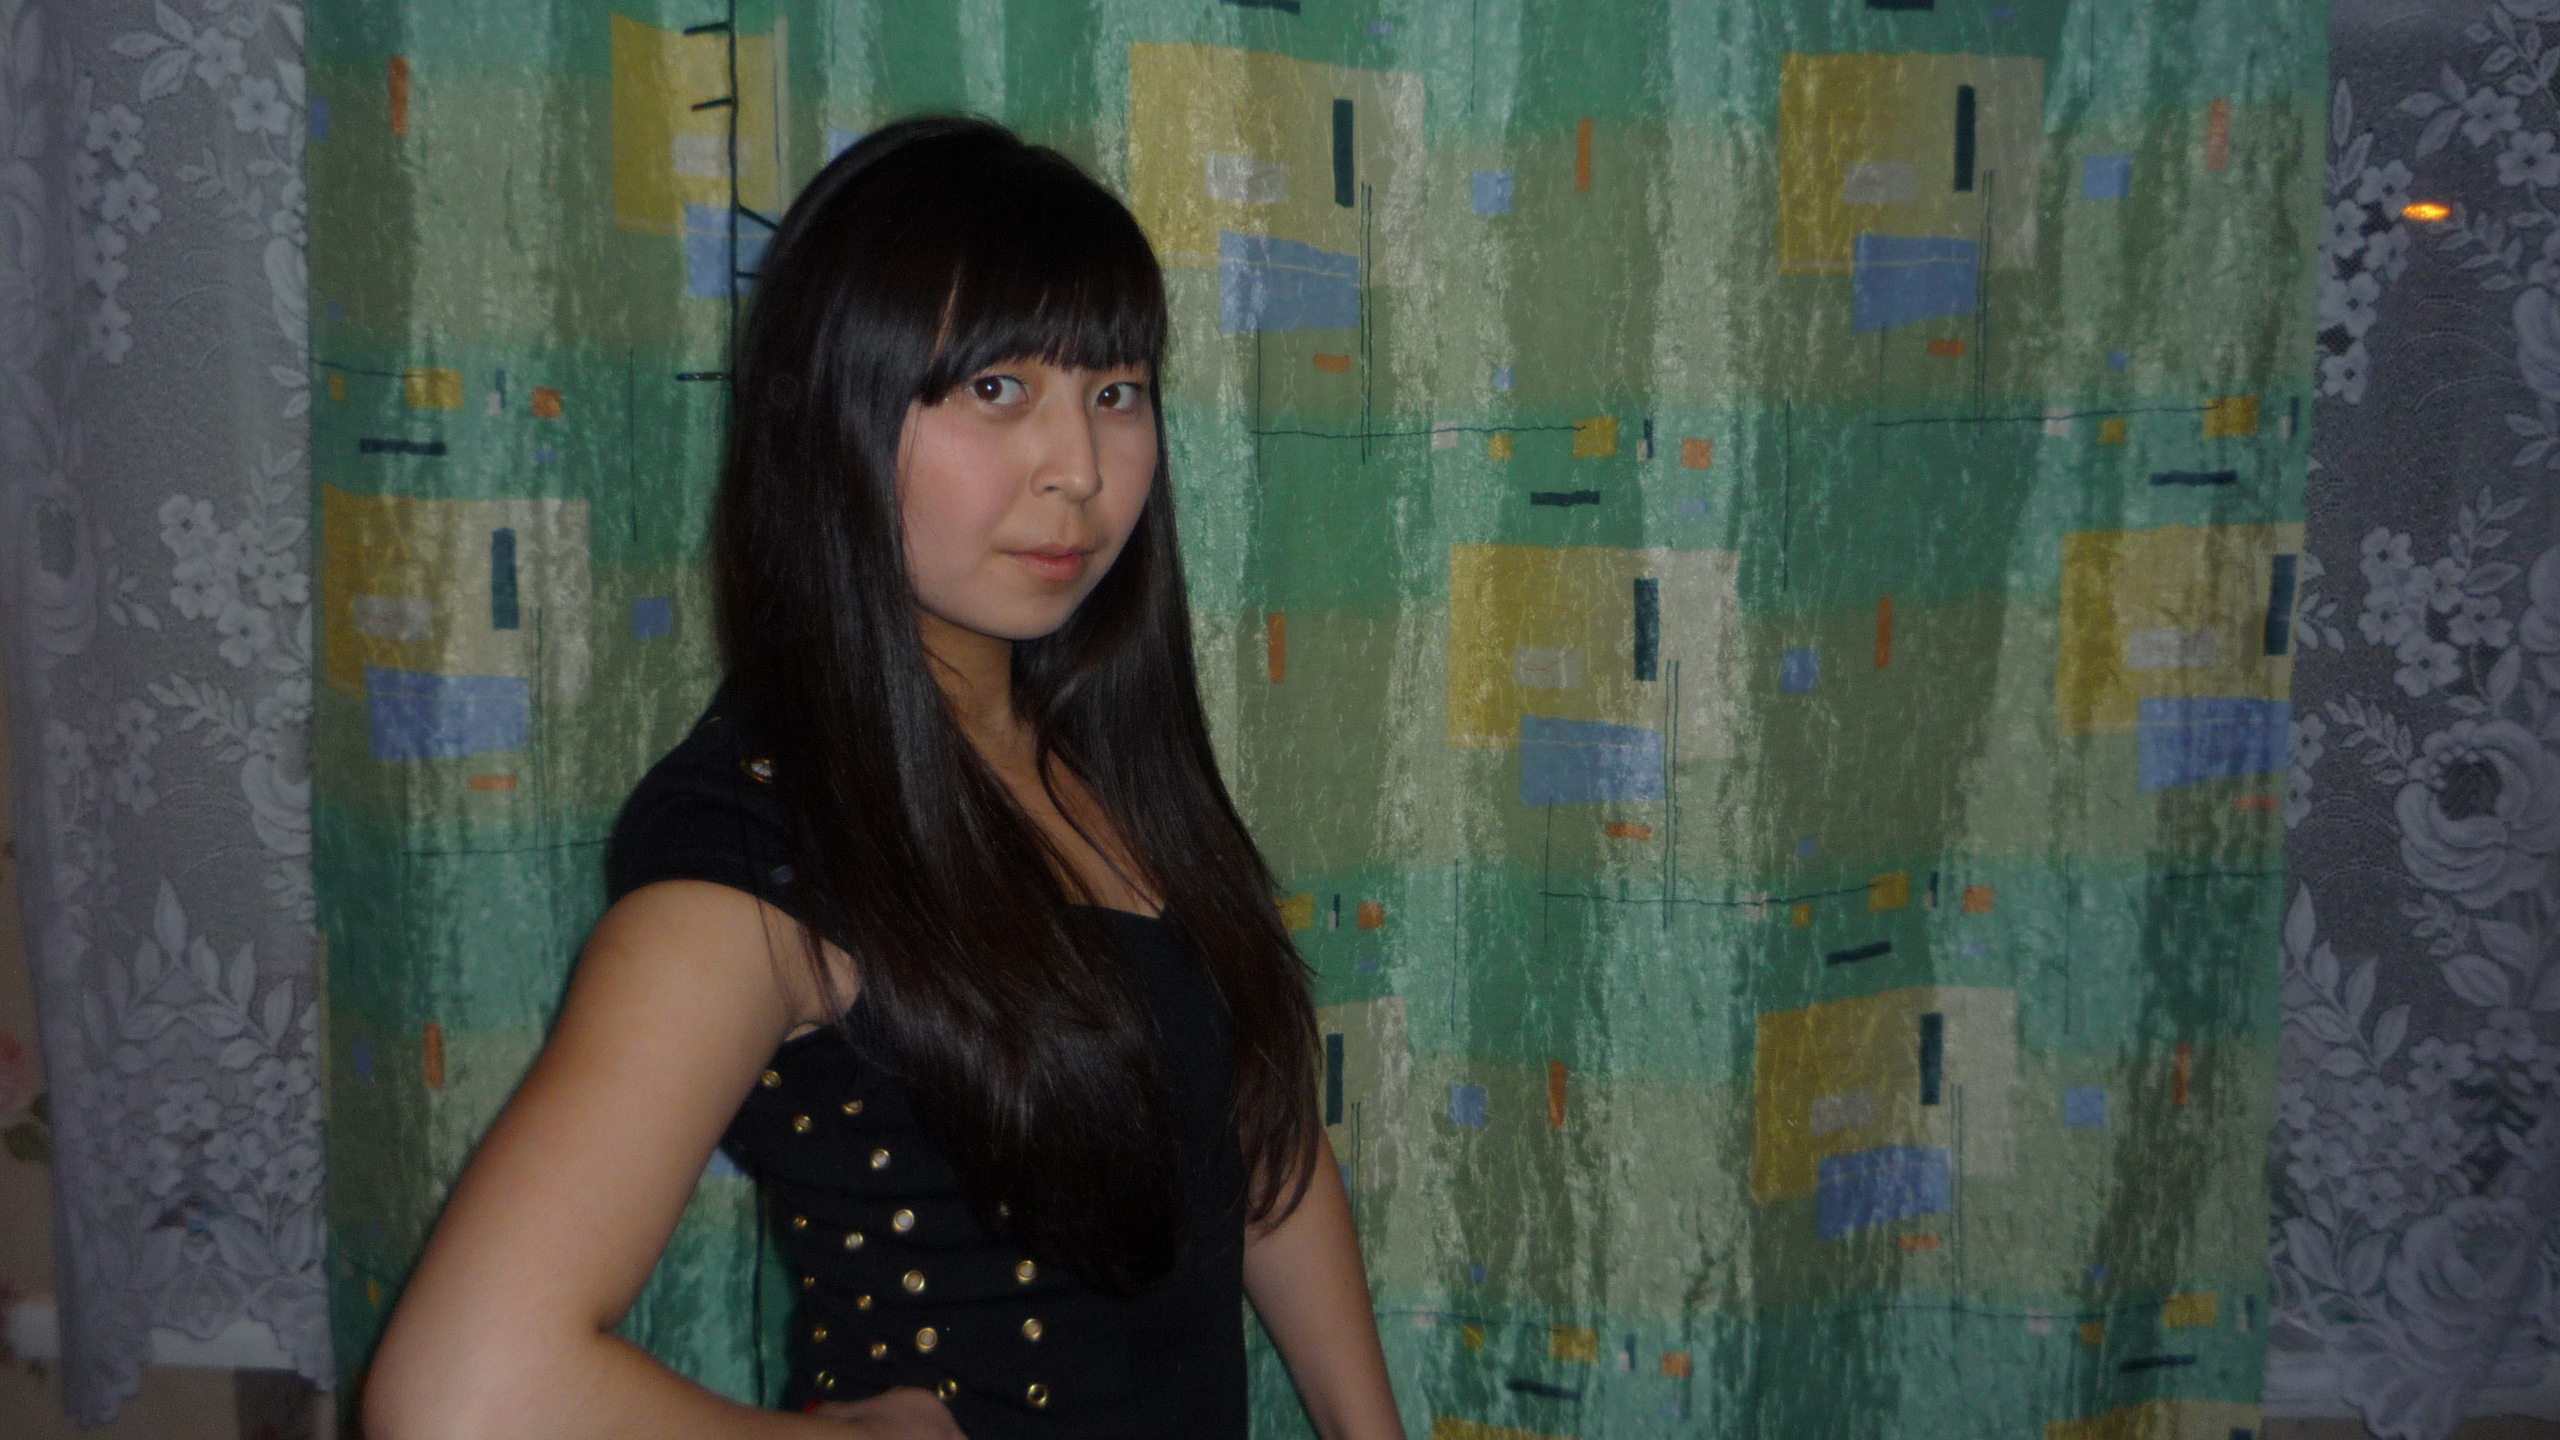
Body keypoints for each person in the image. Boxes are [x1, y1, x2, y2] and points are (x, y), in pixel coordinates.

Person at [361, 116, 1404, 1440]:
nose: (1080, 470)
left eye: (1115, 392)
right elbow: (462, 1389)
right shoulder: (759, 854)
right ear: (833, 417)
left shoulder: (1091, 747)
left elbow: (1252, 1136)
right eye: (996, 389)